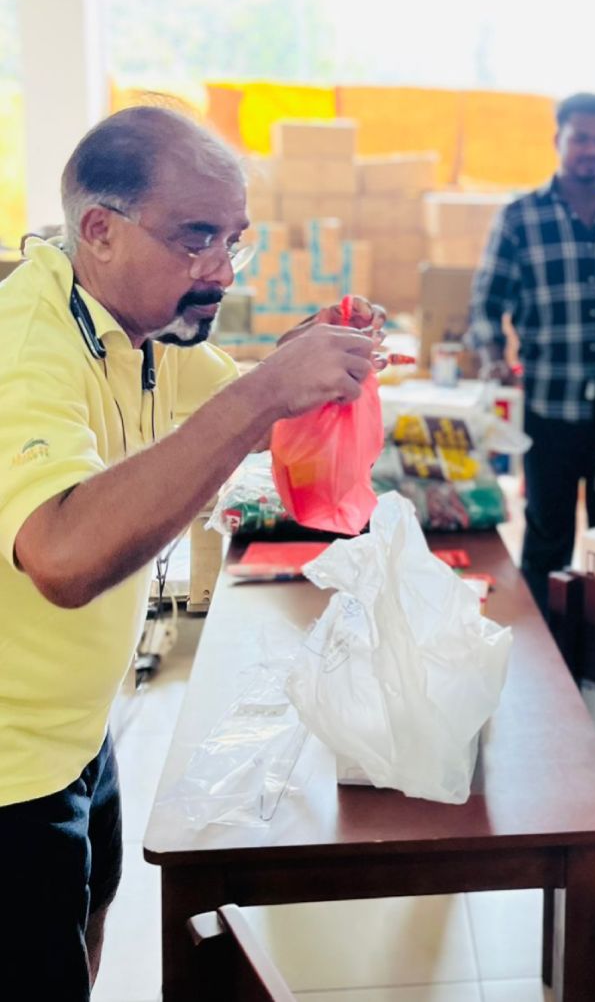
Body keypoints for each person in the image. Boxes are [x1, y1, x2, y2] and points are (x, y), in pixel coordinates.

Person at [0, 106, 380, 1001]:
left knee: (87, 917)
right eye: (196, 238)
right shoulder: (26, 344)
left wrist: (310, 363)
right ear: (100, 231)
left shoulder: (137, 327)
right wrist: (265, 395)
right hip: (10, 764)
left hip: (74, 729)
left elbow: (235, 410)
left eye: (233, 240)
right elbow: (61, 557)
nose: (221, 270)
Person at [466, 92, 595, 616]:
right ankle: (541, 645)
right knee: (547, 535)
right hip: (548, 407)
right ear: (558, 140)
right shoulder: (520, 219)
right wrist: (494, 357)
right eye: (581, 138)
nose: (592, 150)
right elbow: (485, 304)